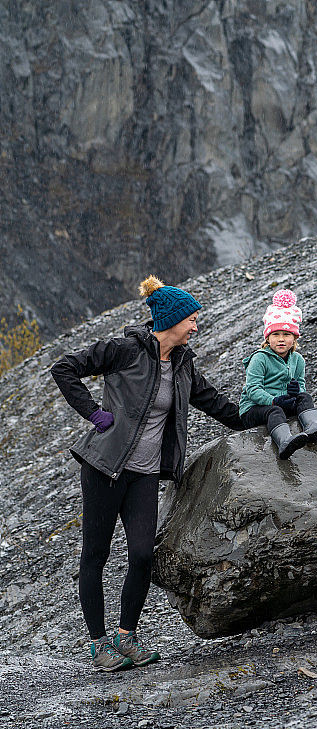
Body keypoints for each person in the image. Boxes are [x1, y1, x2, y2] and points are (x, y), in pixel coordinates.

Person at [51, 275, 244, 672]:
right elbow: (65, 368)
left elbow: (223, 409)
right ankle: (98, 645)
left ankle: (126, 636)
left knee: (141, 555)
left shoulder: (183, 366)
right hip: (104, 467)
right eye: (191, 319)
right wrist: (93, 413)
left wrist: (273, 414)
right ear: (170, 320)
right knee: (96, 555)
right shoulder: (124, 350)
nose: (195, 325)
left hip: (144, 474)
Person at [239, 289, 317, 458]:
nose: (281, 339)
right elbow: (252, 390)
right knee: (275, 411)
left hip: (282, 402)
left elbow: (301, 384)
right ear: (267, 338)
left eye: (286, 334)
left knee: (304, 397)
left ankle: (313, 427)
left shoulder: (298, 359)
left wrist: (296, 391)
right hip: (254, 408)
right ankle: (285, 442)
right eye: (275, 334)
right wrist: (273, 400)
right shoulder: (259, 358)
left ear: (294, 338)